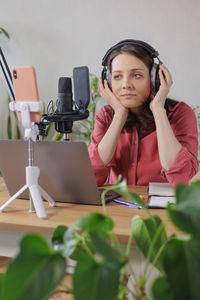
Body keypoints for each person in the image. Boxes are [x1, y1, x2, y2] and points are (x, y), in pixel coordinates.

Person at [88, 39, 199, 187]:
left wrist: (159, 110)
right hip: (119, 209)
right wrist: (120, 114)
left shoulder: (180, 114)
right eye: (117, 77)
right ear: (108, 82)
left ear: (155, 79)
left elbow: (184, 182)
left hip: (165, 209)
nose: (126, 84)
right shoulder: (106, 116)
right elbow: (91, 179)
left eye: (137, 75)